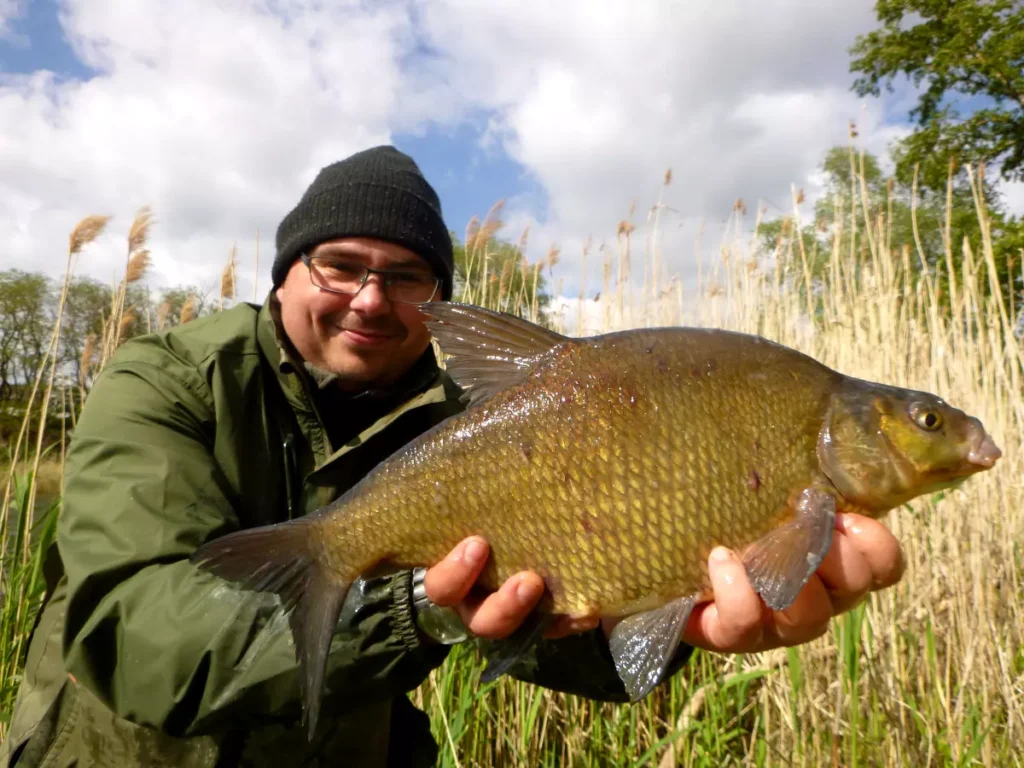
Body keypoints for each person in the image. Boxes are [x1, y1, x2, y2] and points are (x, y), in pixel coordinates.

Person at [1, 146, 905, 767]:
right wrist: (414, 610)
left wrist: (689, 613)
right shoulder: (166, 379)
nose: (368, 298)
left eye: (405, 278)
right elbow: (136, 630)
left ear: (437, 298)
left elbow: (561, 635)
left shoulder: (476, 419)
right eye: (339, 264)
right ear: (285, 271)